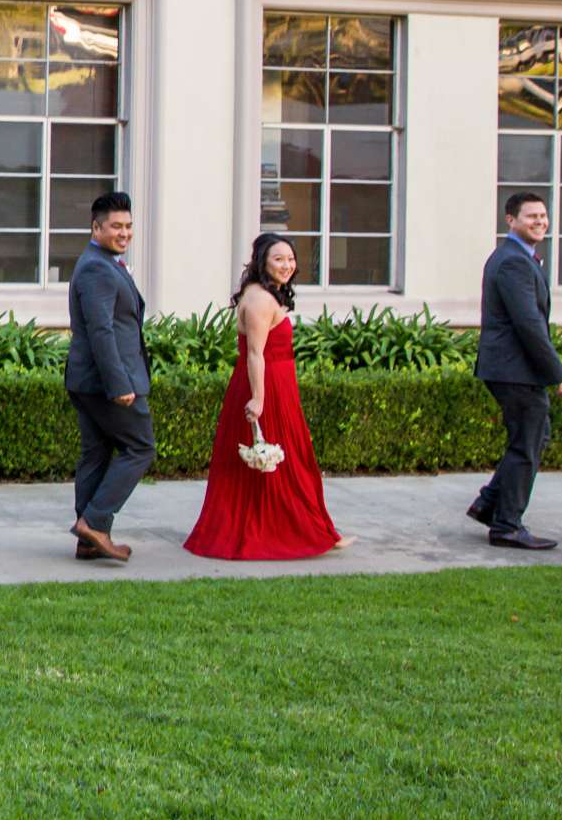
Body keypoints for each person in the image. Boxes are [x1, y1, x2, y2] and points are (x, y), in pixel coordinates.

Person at [183, 234, 349, 560]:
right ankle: (293, 530)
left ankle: (311, 527)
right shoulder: (259, 300)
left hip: (279, 384)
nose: (287, 265)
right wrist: (259, 399)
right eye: (278, 259)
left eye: (290, 258)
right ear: (263, 262)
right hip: (265, 386)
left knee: (290, 460)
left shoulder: (265, 294)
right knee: (284, 462)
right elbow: (255, 354)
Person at [469, 192, 562, 550]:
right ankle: (507, 526)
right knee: (526, 445)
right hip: (515, 369)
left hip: (511, 368)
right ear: (510, 220)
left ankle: (489, 504)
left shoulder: (519, 257)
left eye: (543, 216)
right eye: (531, 216)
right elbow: (529, 324)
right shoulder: (513, 261)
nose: (540, 222)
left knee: (534, 436)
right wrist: (557, 372)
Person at [63, 191, 154, 563]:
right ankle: (95, 523)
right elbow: (101, 331)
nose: (124, 233)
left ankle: (88, 540)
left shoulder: (101, 262)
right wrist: (120, 385)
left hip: (87, 380)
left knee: (97, 453)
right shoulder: (98, 268)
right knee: (140, 447)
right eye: (116, 226)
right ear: (95, 227)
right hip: (106, 383)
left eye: (128, 226)